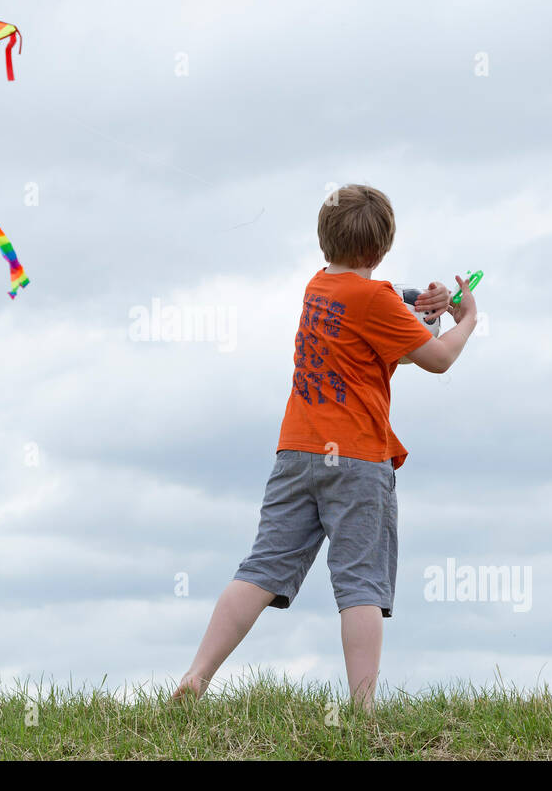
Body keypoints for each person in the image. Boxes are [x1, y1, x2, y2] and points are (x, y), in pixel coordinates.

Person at [173, 184, 480, 710]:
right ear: (381, 248)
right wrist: (465, 317)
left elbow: (382, 333)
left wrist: (417, 307)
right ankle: (362, 710)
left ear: (324, 240)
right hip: (358, 458)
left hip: (297, 450)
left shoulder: (317, 289)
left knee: (260, 570)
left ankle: (197, 676)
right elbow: (436, 359)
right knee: (361, 584)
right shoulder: (376, 299)